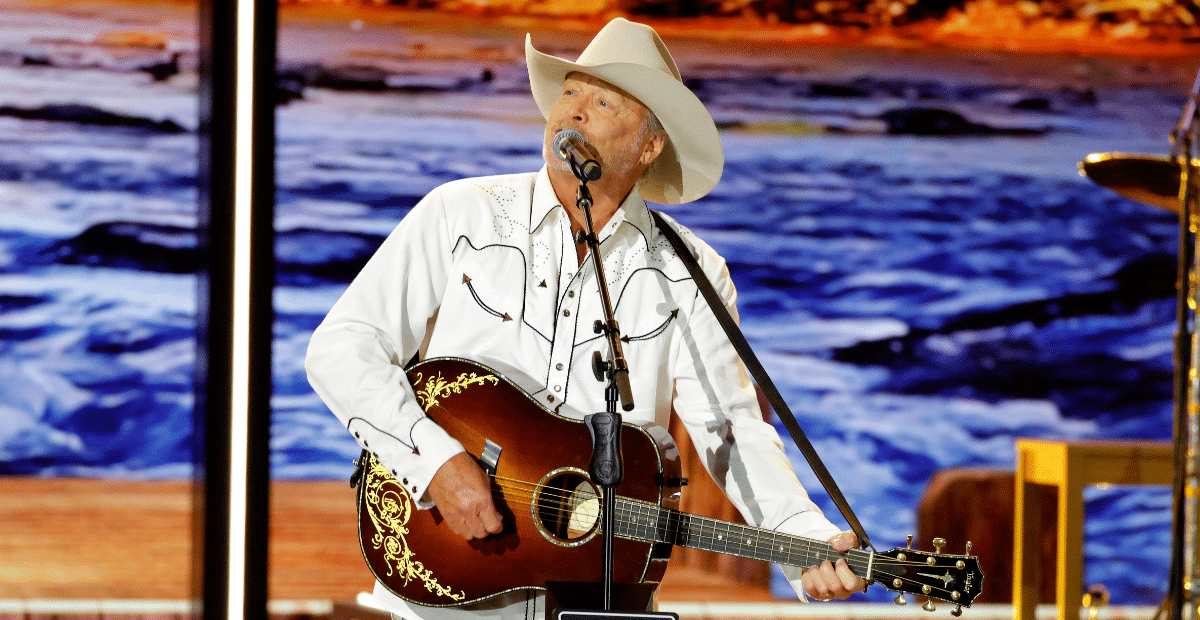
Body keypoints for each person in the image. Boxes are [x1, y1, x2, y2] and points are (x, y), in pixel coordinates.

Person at [305, 17, 866, 620]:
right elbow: (341, 347)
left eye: (602, 100)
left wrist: (800, 537)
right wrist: (434, 464)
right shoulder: (460, 214)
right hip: (446, 581)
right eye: (569, 92)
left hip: (602, 596)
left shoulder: (692, 271)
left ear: (649, 147)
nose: (573, 111)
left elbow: (729, 430)